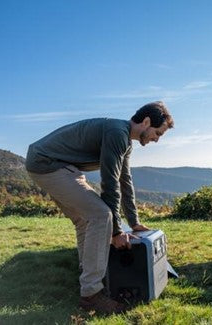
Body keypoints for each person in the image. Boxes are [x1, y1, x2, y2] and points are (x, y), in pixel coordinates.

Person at [25, 101, 173, 314]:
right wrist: (116, 231)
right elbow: (110, 183)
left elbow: (125, 181)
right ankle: (91, 295)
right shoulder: (117, 133)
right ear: (146, 122)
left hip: (62, 166)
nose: (157, 139)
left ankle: (88, 278)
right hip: (47, 163)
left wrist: (134, 222)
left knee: (85, 219)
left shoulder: (125, 141)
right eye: (157, 133)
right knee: (101, 215)